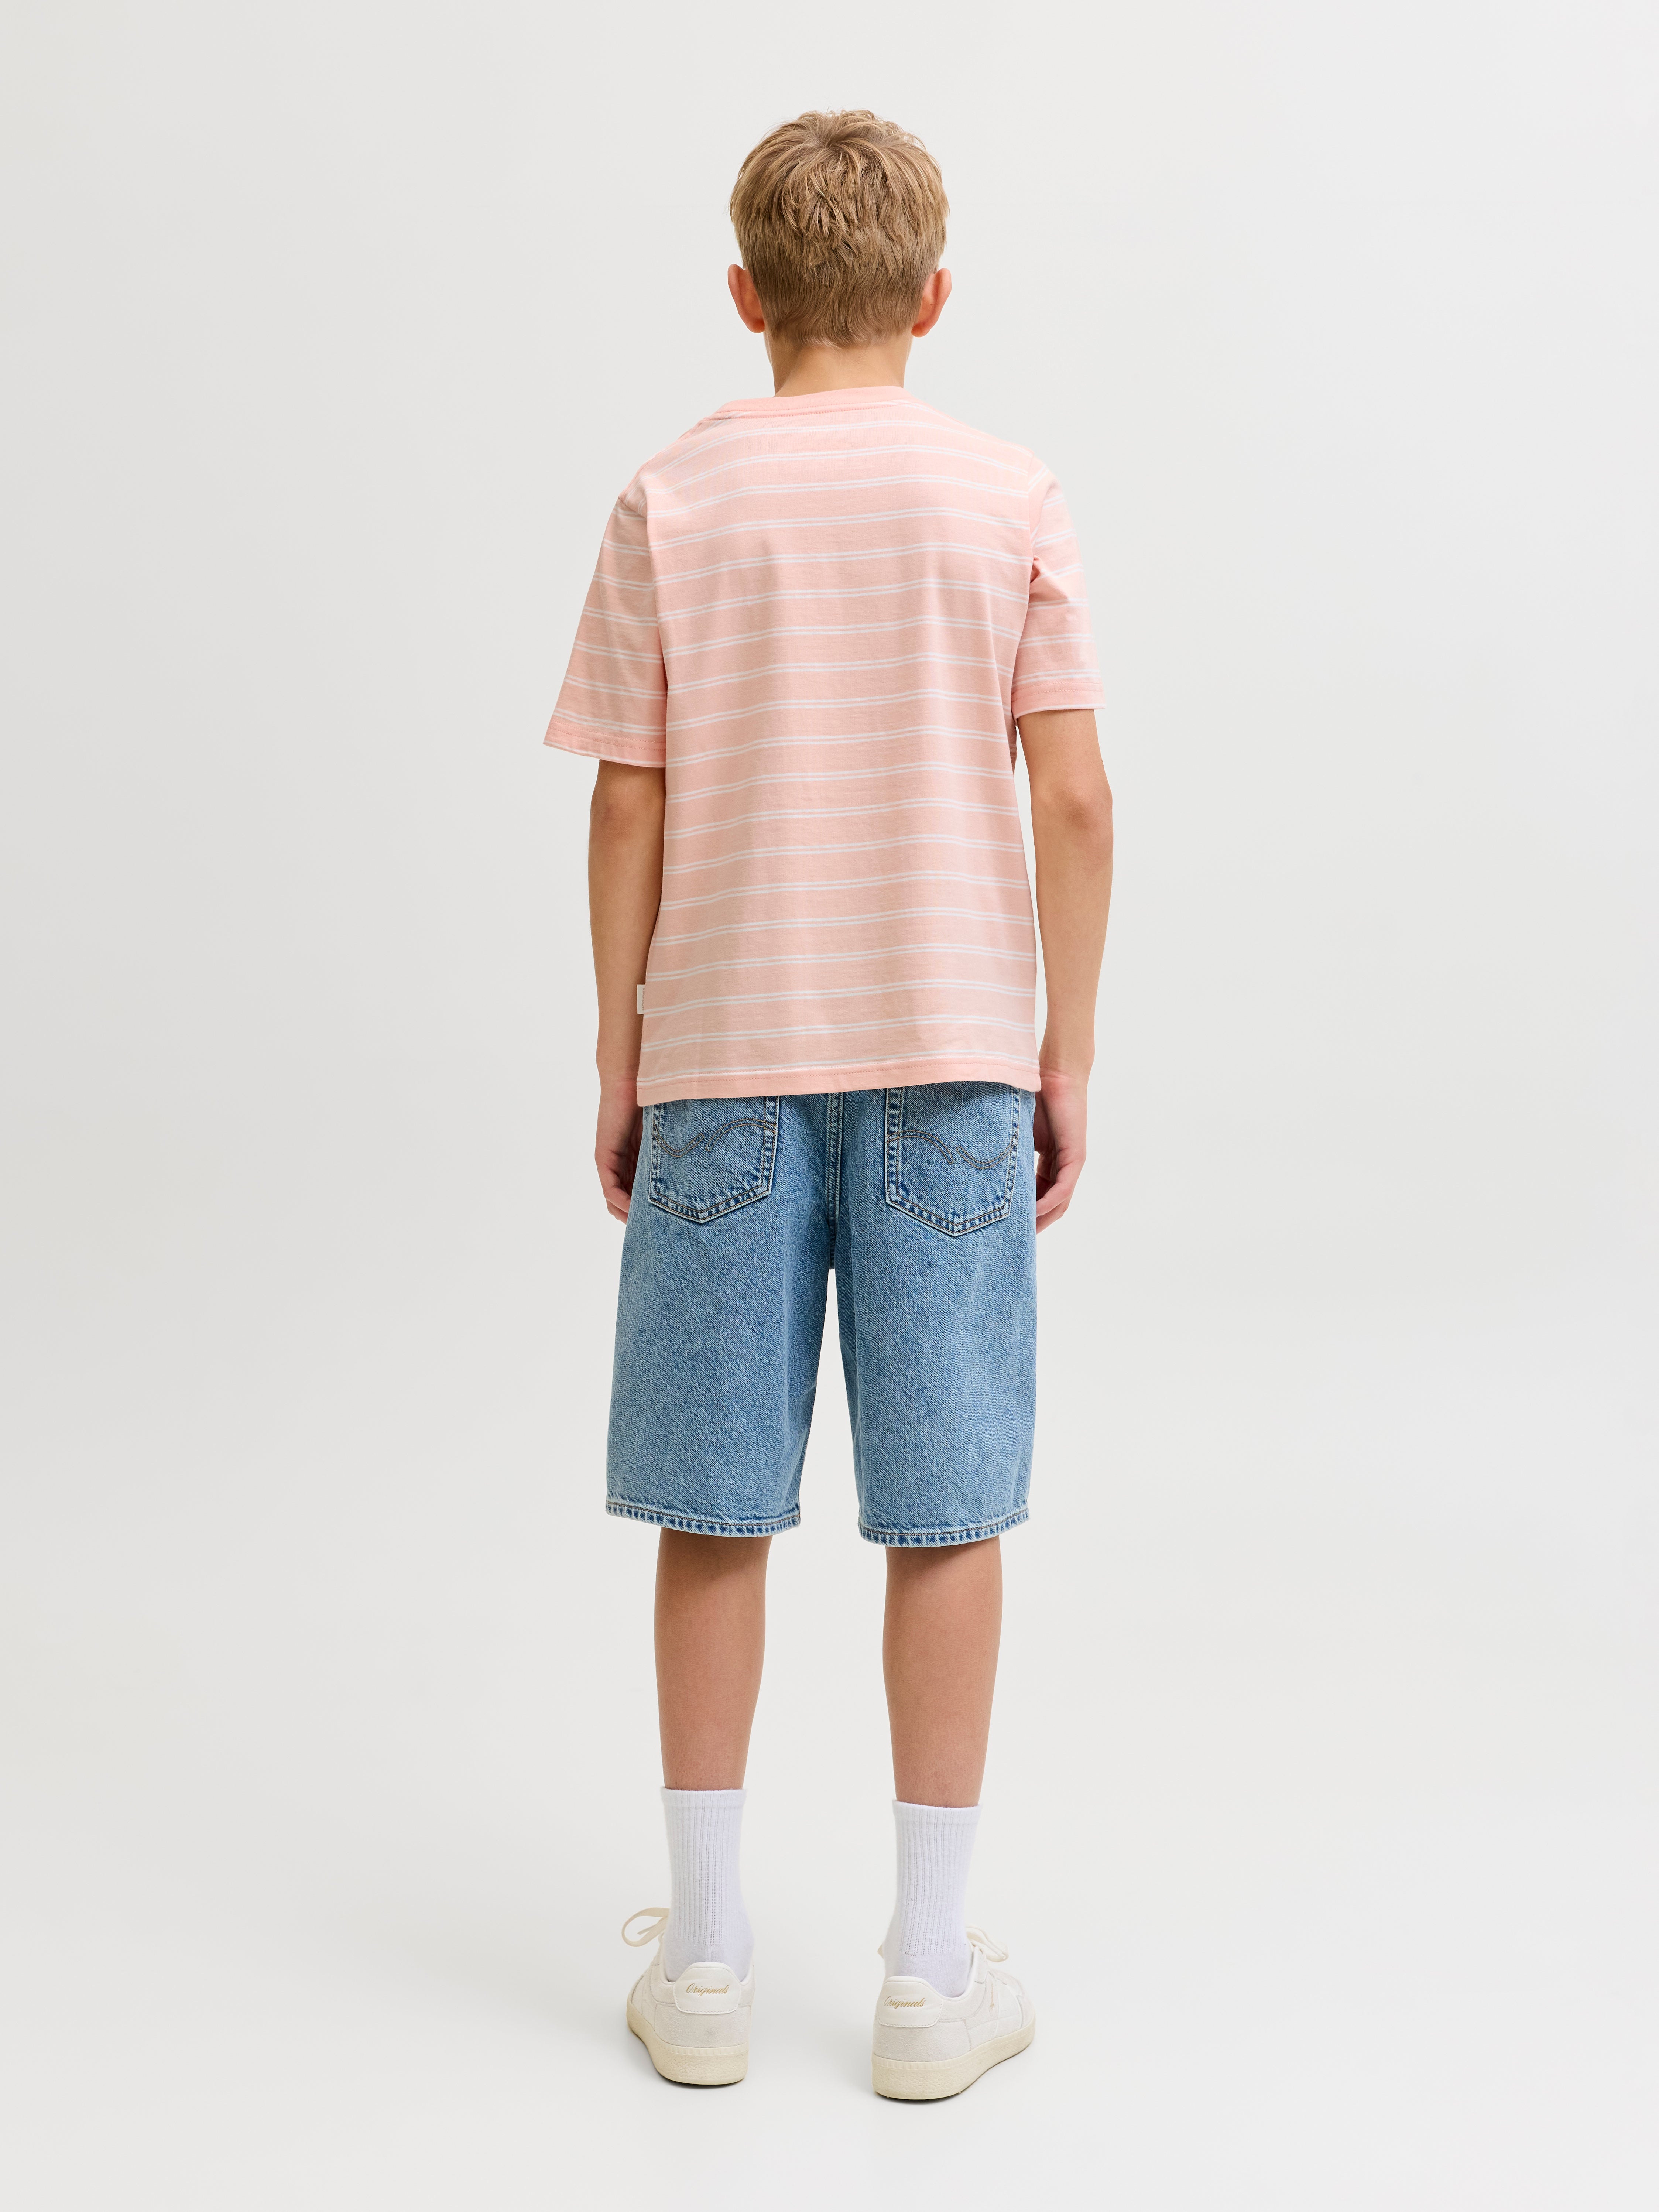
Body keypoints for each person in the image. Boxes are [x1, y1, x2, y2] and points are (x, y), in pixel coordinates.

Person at [545, 109, 1113, 2100]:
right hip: (953, 1054)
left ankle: (706, 1967)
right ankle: (929, 1978)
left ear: (746, 295)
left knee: (717, 1503)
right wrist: (1065, 1049)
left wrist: (619, 1051)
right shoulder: (1008, 493)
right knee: (943, 1511)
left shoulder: (673, 495)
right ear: (933, 298)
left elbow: (628, 802)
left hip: (724, 1055)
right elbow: (1075, 796)